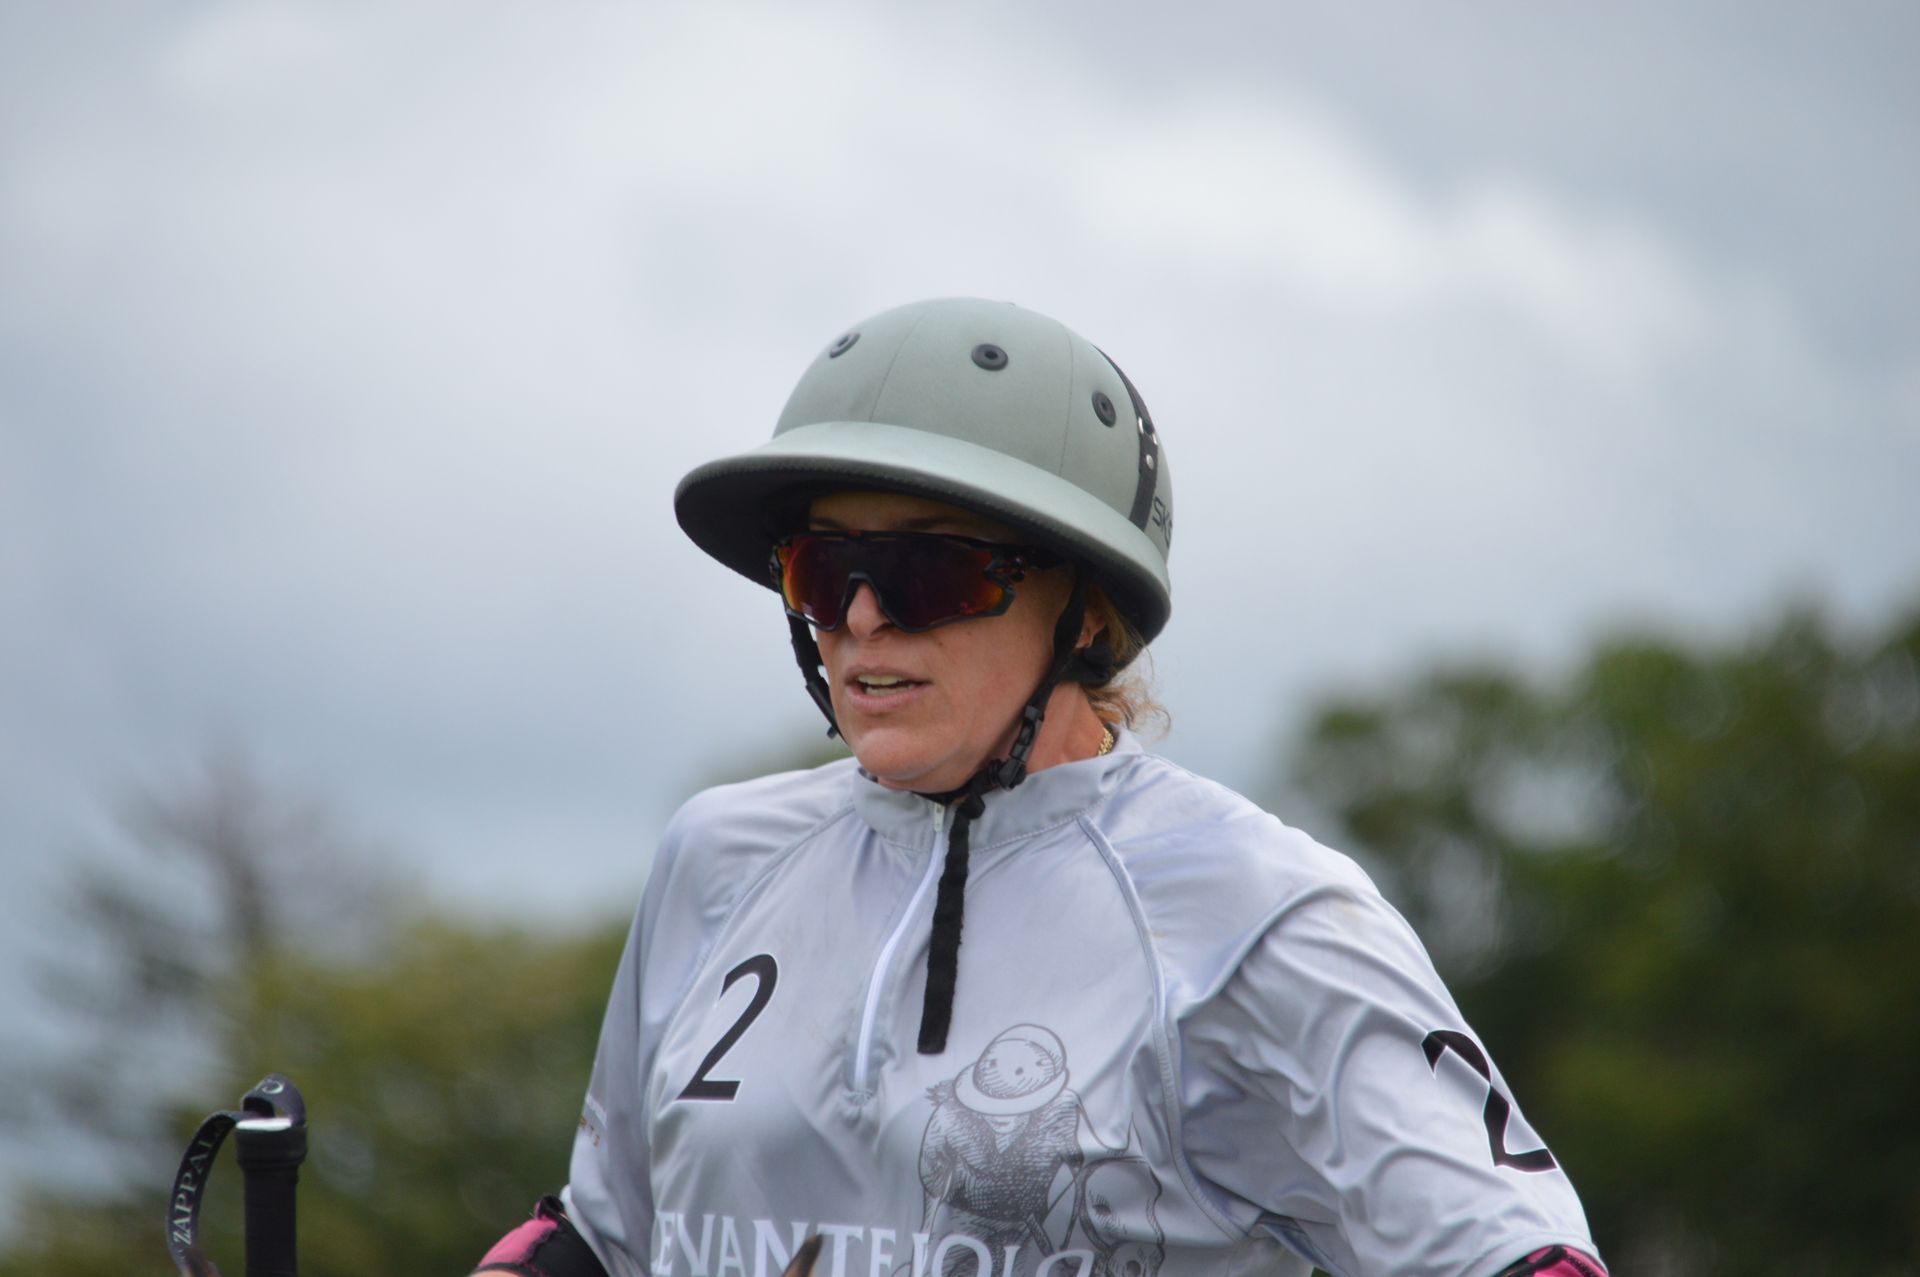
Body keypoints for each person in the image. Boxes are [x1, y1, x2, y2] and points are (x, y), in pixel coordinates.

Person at [473, 299, 1607, 1277]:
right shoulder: (715, 856)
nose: (861, 617)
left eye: (925, 569)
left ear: (1087, 610)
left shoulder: (1261, 909)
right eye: (821, 569)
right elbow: (602, 1239)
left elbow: (1522, 1256)